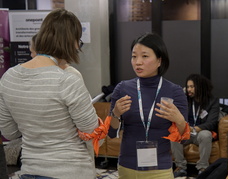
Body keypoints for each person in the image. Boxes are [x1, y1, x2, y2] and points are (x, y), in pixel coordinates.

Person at [0, 8, 99, 179]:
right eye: (78, 40)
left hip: (30, 170)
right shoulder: (67, 79)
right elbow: (91, 129)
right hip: (71, 171)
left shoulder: (8, 77)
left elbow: (9, 132)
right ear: (71, 41)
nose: (78, 47)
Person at [108, 33, 189, 179]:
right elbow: (111, 133)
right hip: (127, 166)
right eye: (134, 56)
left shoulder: (174, 91)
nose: (138, 62)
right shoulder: (122, 89)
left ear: (159, 60)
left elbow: (183, 138)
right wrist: (115, 113)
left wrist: (179, 120)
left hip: (159, 170)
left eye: (145, 56)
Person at [171, 74, 220, 178]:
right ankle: (181, 167)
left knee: (206, 134)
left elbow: (211, 123)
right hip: (187, 134)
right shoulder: (185, 99)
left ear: (200, 87)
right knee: (174, 134)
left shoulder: (212, 101)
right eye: (188, 87)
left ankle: (203, 168)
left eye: (192, 87)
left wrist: (193, 129)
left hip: (199, 133)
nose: (189, 89)